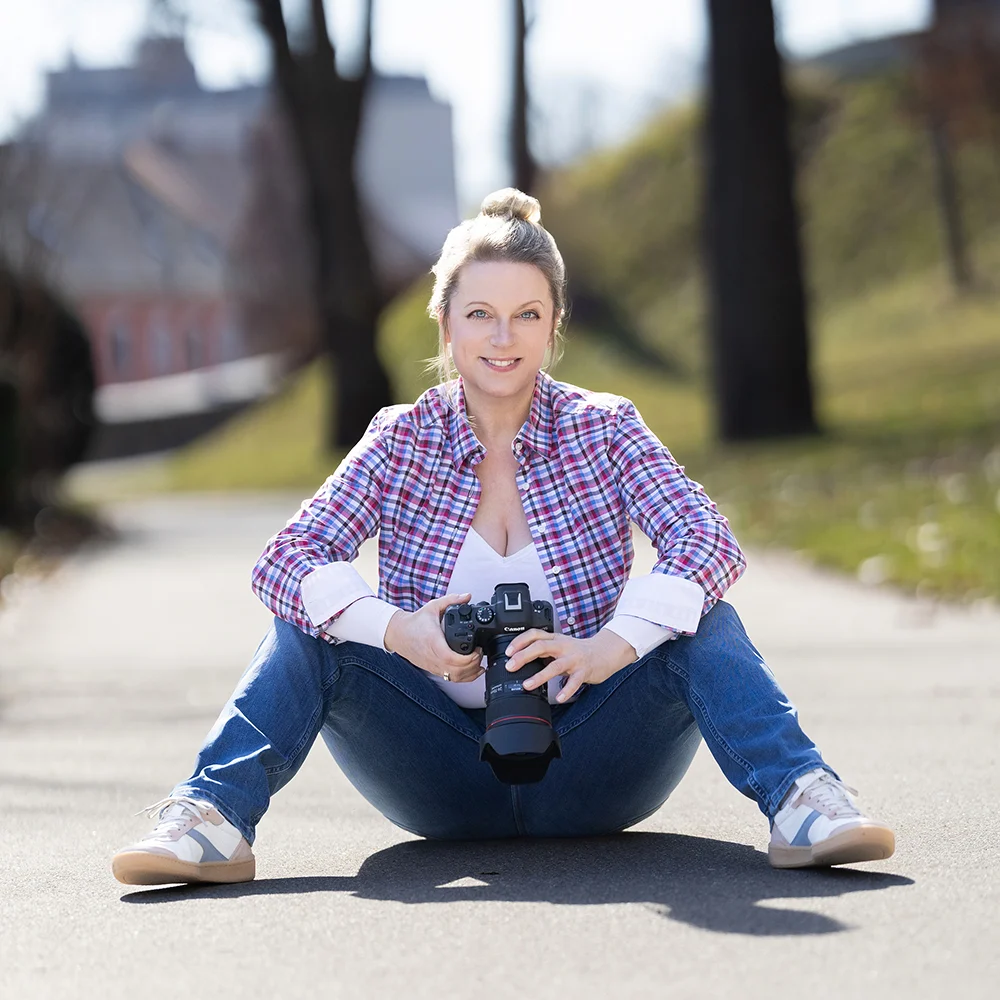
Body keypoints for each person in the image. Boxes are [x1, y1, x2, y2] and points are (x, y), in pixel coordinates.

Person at [111, 188, 895, 886]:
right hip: (436, 768)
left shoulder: (605, 428)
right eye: (480, 313)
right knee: (308, 629)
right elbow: (285, 560)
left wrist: (609, 647)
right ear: (445, 322)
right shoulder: (400, 439)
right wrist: (399, 632)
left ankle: (804, 803)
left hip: (593, 758)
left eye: (527, 313)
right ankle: (209, 822)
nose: (502, 337)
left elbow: (709, 543)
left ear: (554, 324)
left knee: (706, 622)